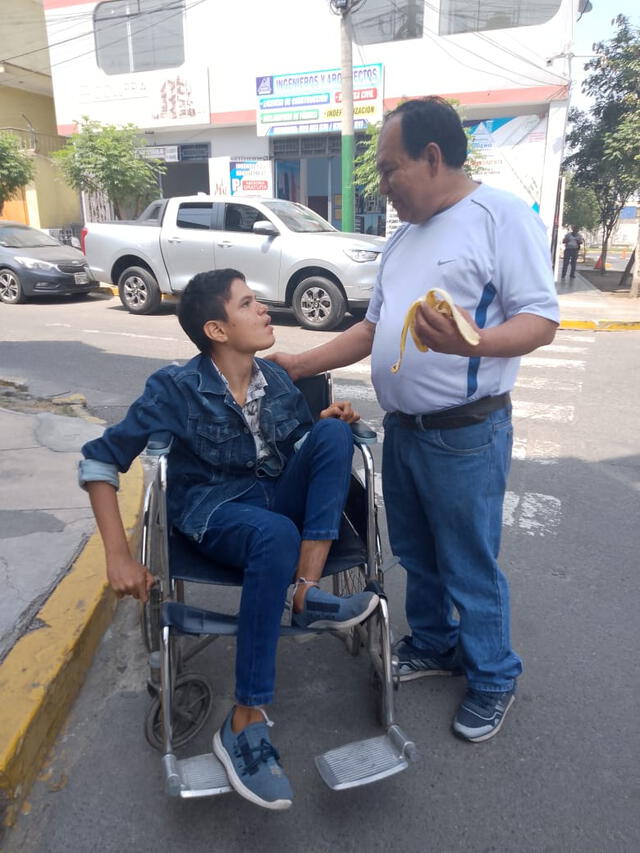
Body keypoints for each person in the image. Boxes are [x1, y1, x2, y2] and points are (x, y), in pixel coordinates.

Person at [269, 97, 559, 743]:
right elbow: (374, 328)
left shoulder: (499, 217)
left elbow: (540, 318)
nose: (384, 185)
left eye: (389, 168)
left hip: (466, 431)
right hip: (403, 429)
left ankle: (492, 677)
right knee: (418, 554)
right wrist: (302, 362)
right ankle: (433, 643)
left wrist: (474, 343)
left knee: (469, 561)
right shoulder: (402, 236)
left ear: (432, 157)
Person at [78, 268, 379, 810]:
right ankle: (243, 721)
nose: (264, 308)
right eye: (248, 303)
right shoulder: (174, 389)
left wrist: (323, 426)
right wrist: (118, 555)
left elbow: (293, 446)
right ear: (217, 329)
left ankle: (305, 591)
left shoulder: (277, 381)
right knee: (272, 533)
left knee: (333, 432)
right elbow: (100, 459)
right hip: (216, 514)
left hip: (275, 506)